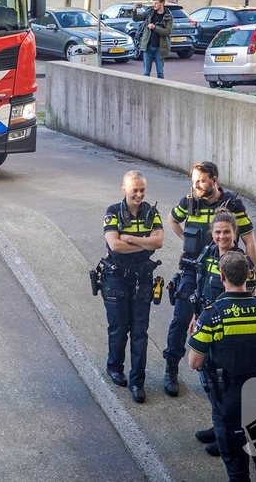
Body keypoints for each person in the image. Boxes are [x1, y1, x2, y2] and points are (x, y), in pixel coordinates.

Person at [163, 160, 256, 397]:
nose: (197, 185)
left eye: (202, 181)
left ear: (214, 180)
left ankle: (219, 378)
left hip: (222, 274)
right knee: (180, 320)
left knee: (220, 323)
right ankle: (171, 369)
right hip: (192, 270)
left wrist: (251, 276)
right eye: (194, 181)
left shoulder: (233, 205)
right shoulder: (189, 202)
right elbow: (172, 219)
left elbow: (249, 240)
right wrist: (186, 239)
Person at [188, 253, 256, 482]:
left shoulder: (212, 315)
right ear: (249, 276)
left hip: (228, 396)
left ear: (221, 277)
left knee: (236, 464)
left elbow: (194, 362)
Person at [191, 208, 256, 455]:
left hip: (228, 331)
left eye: (226, 232)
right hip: (208, 324)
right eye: (218, 231)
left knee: (226, 386)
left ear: (235, 232)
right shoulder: (208, 253)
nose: (222, 236)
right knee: (210, 381)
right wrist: (195, 317)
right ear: (212, 232)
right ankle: (218, 426)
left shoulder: (241, 262)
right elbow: (201, 290)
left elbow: (247, 298)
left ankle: (228, 437)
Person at [100, 170, 164, 403]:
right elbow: (115, 246)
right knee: (118, 329)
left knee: (139, 332)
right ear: (124, 189)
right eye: (134, 190)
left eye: (142, 190)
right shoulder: (113, 212)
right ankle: (115, 367)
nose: (139, 194)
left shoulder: (151, 212)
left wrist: (132, 239)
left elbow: (158, 242)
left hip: (142, 278)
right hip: (115, 277)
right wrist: (144, 245)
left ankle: (138, 382)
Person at [137, 0, 172, 79]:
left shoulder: (168, 16)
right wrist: (134, 10)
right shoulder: (150, 12)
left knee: (160, 73)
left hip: (160, 47)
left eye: (156, 3)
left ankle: (161, 90)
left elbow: (168, 31)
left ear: (162, 3)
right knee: (146, 72)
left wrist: (155, 28)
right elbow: (136, 18)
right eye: (153, 3)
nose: (154, 5)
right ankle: (145, 90)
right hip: (148, 46)